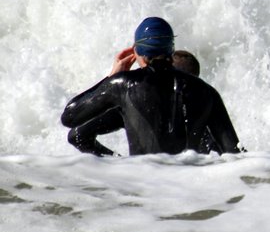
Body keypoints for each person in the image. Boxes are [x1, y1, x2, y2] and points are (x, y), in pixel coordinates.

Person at [61, 17, 241, 156]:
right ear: (171, 50)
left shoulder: (124, 86)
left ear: (137, 52)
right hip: (189, 192)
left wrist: (112, 77)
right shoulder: (205, 92)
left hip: (145, 192)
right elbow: (233, 154)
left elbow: (70, 118)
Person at [67, 49, 206, 156]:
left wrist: (119, 164)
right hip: (185, 187)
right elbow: (225, 159)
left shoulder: (134, 109)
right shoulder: (203, 118)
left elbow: (77, 135)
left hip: (141, 185)